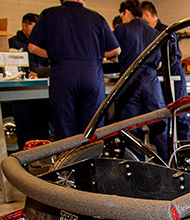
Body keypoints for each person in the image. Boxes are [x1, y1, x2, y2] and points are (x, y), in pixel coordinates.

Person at [28, 0, 121, 140]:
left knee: (65, 128)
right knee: (92, 129)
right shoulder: (96, 17)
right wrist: (95, 56)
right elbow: (116, 50)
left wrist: (55, 55)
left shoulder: (49, 14)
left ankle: (69, 160)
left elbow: (32, 47)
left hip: (63, 75)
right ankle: (90, 160)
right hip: (92, 76)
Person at [113, 0, 168, 162]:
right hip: (151, 82)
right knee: (159, 126)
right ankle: (168, 165)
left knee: (132, 129)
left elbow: (109, 52)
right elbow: (159, 62)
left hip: (129, 82)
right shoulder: (154, 32)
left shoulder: (121, 30)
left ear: (127, 12)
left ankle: (138, 171)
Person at [141, 1, 190, 142]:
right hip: (161, 80)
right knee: (165, 116)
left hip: (174, 77)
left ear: (146, 15)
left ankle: (187, 147)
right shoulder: (148, 34)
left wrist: (159, 65)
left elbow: (174, 57)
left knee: (180, 114)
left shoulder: (166, 31)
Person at [8, 13, 51, 149]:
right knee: (25, 129)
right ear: (24, 26)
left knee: (42, 127)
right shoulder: (14, 42)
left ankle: (44, 159)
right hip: (22, 93)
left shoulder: (41, 42)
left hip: (40, 92)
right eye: (33, 28)